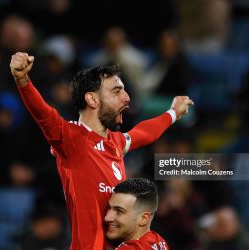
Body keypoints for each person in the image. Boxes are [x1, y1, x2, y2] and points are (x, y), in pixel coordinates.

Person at [10, 52, 193, 249]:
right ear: (93, 100)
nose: (127, 97)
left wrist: (173, 112)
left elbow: (144, 133)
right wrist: (23, 80)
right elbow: (43, 114)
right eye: (116, 91)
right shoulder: (72, 139)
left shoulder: (115, 142)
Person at [105, 178, 168, 249]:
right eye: (109, 208)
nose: (107, 218)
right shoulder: (158, 241)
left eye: (119, 211)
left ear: (144, 218)